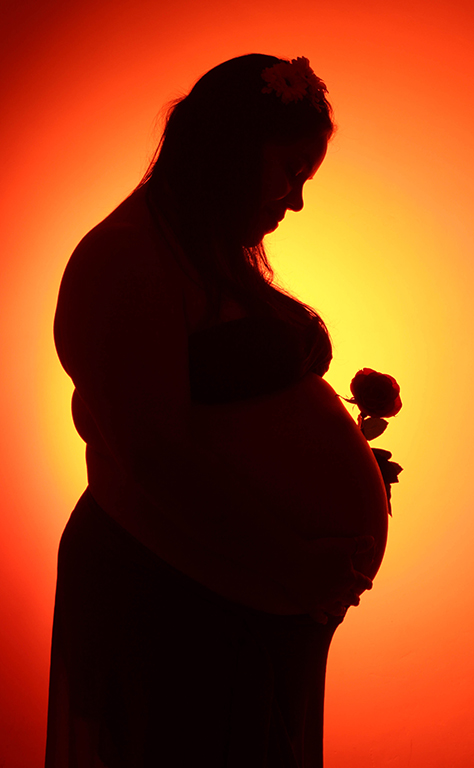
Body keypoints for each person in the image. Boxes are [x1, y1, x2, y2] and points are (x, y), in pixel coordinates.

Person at [45, 54, 389, 767]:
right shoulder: (125, 260)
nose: (295, 202)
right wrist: (294, 556)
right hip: (169, 597)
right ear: (235, 146)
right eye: (291, 169)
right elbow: (153, 457)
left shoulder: (206, 257)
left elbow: (231, 428)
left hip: (242, 601)